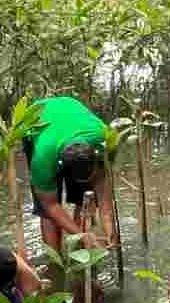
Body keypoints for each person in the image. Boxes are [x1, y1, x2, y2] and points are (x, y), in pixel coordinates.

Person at [24, 96, 117, 253]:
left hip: (71, 109)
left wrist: (110, 232)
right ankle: (55, 260)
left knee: (85, 198)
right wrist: (82, 235)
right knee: (47, 213)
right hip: (37, 118)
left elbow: (104, 198)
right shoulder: (42, 158)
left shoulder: (104, 140)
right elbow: (50, 205)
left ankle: (82, 248)